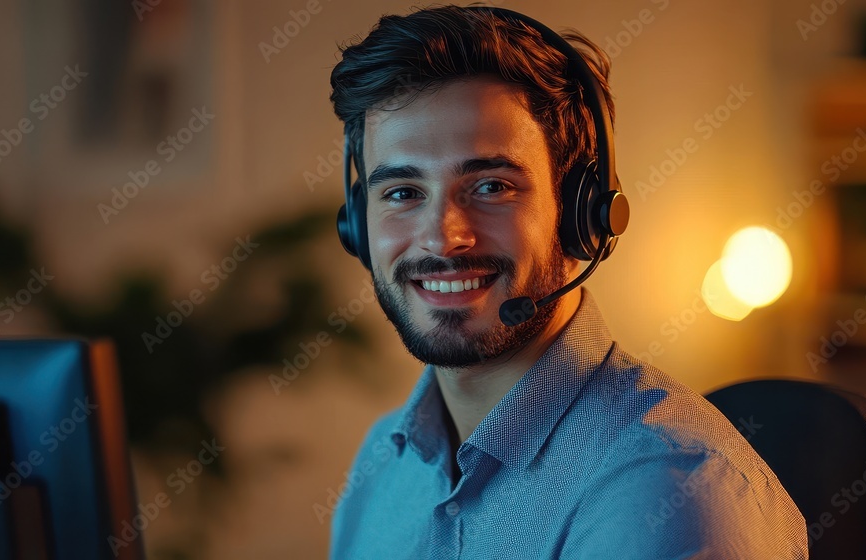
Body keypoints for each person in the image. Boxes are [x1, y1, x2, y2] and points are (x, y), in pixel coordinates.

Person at [326, 5, 808, 559]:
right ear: (359, 226)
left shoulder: (666, 495)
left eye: (490, 186)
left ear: (581, 211)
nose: (443, 237)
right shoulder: (383, 468)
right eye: (403, 193)